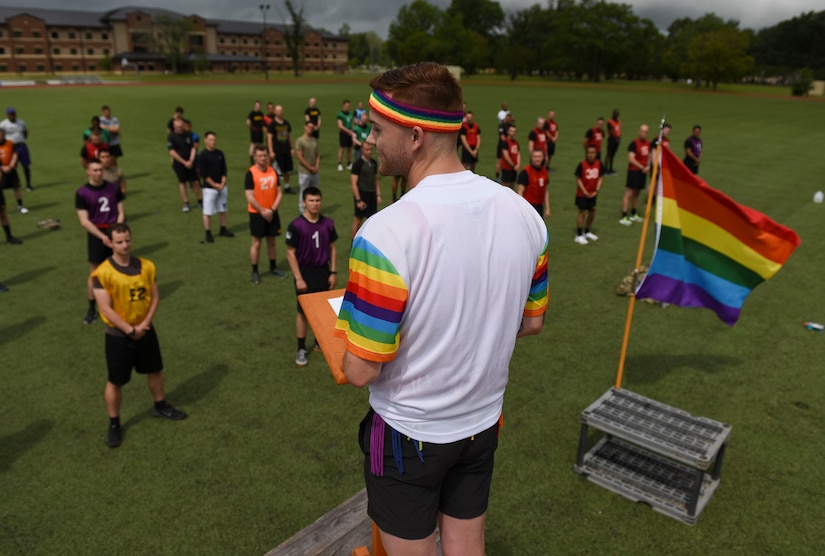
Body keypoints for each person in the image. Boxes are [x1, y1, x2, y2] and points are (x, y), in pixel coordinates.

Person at [334, 62, 549, 556]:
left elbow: (362, 369)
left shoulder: (386, 232)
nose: (369, 140)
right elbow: (532, 321)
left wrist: (345, 346)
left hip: (410, 432)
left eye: (377, 128)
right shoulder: (524, 213)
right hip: (481, 424)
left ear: (413, 136)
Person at [92, 223, 187, 448]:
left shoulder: (146, 266)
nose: (124, 245)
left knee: (155, 370)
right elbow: (105, 309)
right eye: (119, 242)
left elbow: (155, 297)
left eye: (127, 240)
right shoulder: (102, 273)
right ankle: (114, 423)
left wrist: (144, 324)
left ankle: (161, 405)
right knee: (116, 381)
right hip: (118, 336)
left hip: (145, 329)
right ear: (110, 243)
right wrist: (129, 330)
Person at [285, 186, 338, 366]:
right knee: (303, 313)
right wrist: (299, 278)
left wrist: (333, 271)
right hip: (305, 272)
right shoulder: (296, 225)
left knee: (321, 310)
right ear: (304, 202)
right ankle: (301, 347)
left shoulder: (328, 223)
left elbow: (332, 248)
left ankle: (319, 341)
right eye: (311, 201)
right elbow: (290, 253)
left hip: (323, 271)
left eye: (317, 201)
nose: (315, 204)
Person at [76, 158, 125, 324]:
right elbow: (84, 221)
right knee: (95, 272)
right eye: (94, 170)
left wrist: (116, 232)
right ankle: (92, 308)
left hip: (114, 231)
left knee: (118, 267)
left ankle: (118, 303)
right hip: (96, 233)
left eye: (100, 170)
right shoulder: (82, 192)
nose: (98, 173)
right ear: (87, 171)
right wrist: (102, 236)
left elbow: (121, 211)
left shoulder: (113, 188)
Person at [245, 144, 286, 284]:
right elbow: (249, 196)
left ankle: (273, 267)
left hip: (272, 213)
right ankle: (255, 271)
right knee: (256, 243)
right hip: (257, 214)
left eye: (264, 155)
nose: (263, 158)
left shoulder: (273, 171)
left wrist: (272, 210)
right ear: (255, 157)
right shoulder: (250, 173)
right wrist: (263, 211)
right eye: (260, 156)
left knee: (272, 242)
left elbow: (279, 192)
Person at [197, 131, 234, 243]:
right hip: (209, 188)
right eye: (211, 139)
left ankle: (223, 228)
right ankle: (208, 232)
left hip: (221, 186)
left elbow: (224, 169)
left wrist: (222, 183)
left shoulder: (220, 153)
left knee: (222, 208)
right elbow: (204, 174)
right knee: (207, 211)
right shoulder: (202, 156)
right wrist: (215, 185)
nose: (213, 142)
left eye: (214, 139)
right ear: (206, 140)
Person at [167, 118, 201, 212]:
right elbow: (172, 152)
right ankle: (186, 202)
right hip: (179, 163)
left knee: (195, 182)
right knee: (182, 182)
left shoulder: (189, 135)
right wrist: (183, 162)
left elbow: (193, 148)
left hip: (190, 162)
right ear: (174, 127)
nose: (179, 128)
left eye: (181, 126)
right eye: (177, 127)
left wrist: (191, 160)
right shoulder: (171, 137)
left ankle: (199, 200)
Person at [620, 124, 651, 226]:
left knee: (637, 193)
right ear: (639, 131)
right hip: (634, 171)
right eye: (642, 131)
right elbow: (631, 159)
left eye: (645, 132)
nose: (643, 133)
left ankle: (634, 212)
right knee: (629, 193)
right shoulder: (634, 144)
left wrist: (648, 166)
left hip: (642, 172)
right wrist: (642, 167)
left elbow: (649, 156)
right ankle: (624, 215)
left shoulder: (648, 144)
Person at [350, 142, 381, 239]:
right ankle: (353, 243)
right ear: (362, 150)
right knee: (358, 220)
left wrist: (378, 195)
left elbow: (375, 180)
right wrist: (358, 200)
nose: (369, 152)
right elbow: (354, 183)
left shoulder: (373, 163)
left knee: (371, 220)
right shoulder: (357, 164)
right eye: (367, 150)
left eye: (371, 150)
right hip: (362, 194)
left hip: (372, 194)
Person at [574, 144, 604, 244]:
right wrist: (585, 191)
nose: (591, 155)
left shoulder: (599, 164)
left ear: (596, 154)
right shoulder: (582, 164)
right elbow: (578, 179)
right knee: (582, 213)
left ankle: (587, 231)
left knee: (592, 213)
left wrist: (596, 191)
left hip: (593, 194)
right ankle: (578, 235)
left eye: (593, 153)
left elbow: (600, 177)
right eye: (589, 153)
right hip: (582, 194)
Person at [0, 108, 32, 192]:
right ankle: (11, 184)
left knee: (26, 166)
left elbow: (25, 132)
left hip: (21, 146)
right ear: (7, 115)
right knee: (11, 166)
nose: (12, 115)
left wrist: (21, 140)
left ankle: (28, 185)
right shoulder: (3, 124)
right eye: (10, 114)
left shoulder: (21, 123)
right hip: (10, 147)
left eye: (13, 113)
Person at [266, 105, 295, 194]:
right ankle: (274, 187)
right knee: (276, 171)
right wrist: (271, 151)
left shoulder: (286, 123)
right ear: (275, 112)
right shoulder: (272, 124)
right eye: (278, 111)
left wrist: (292, 147)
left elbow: (289, 136)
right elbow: (269, 138)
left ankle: (286, 186)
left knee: (288, 170)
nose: (279, 112)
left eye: (281, 110)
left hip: (286, 149)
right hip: (277, 150)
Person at [0, 128, 29, 214]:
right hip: (1, 172)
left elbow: (15, 154)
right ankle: (1, 208)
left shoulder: (10, 143)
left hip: (11, 170)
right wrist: (2, 167)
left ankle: (21, 206)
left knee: (16, 188)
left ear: (3, 135)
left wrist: (11, 165)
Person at [294, 121, 320, 214]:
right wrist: (309, 167)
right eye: (309, 126)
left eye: (312, 127)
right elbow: (300, 157)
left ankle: (313, 208)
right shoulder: (300, 141)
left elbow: (317, 155)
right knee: (304, 191)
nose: (310, 128)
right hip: (304, 172)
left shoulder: (314, 140)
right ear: (305, 127)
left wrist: (316, 166)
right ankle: (302, 210)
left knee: (314, 191)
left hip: (314, 171)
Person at [516, 149, 550, 219]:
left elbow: (545, 191)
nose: (537, 159)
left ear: (543, 158)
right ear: (531, 158)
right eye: (535, 157)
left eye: (539, 157)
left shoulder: (544, 172)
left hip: (540, 206)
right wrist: (522, 209)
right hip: (529, 206)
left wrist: (547, 208)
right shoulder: (525, 172)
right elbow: (520, 192)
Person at [499, 124, 520, 189]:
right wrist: (513, 165)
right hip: (507, 167)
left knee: (512, 184)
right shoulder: (505, 142)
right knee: (505, 185)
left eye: (514, 131)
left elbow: (518, 153)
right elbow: (506, 156)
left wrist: (518, 164)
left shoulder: (516, 142)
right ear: (508, 132)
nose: (512, 133)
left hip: (514, 168)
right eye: (511, 131)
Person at [495, 112, 514, 180]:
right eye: (508, 117)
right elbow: (502, 137)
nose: (509, 119)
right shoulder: (501, 126)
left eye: (510, 118)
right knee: (499, 161)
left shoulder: (510, 126)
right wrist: (508, 141)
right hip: (502, 146)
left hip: (508, 146)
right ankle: (497, 176)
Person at [337, 100, 355, 171]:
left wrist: (353, 131)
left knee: (349, 149)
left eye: (349, 106)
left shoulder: (350, 114)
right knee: (342, 149)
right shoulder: (340, 115)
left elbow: (352, 123)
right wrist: (349, 131)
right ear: (343, 106)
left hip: (350, 133)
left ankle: (349, 163)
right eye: (347, 106)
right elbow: (340, 126)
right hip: (344, 133)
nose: (348, 107)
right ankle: (340, 164)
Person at [605, 108, 621, 175]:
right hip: (612, 140)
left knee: (613, 155)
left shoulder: (619, 121)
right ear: (613, 114)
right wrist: (616, 139)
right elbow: (611, 132)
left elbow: (619, 130)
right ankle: (605, 169)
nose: (616, 115)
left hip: (617, 140)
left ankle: (610, 168)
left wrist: (619, 138)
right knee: (609, 154)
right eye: (615, 114)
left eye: (617, 114)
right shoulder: (610, 122)